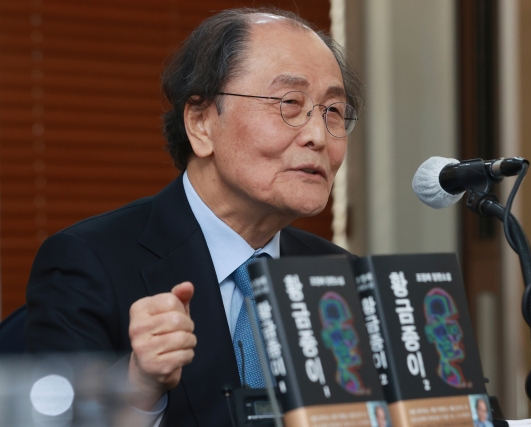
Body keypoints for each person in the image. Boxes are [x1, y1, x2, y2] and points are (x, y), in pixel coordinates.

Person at [25, 7, 362, 427]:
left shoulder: (339, 276)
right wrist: (139, 385)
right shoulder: (89, 263)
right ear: (201, 123)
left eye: (333, 111)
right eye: (290, 103)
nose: (317, 135)